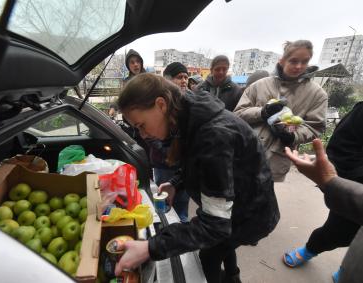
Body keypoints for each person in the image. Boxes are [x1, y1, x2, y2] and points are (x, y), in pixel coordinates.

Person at [114, 73, 280, 283]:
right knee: (225, 244)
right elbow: (200, 163)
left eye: (141, 125)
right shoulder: (189, 118)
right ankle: (233, 276)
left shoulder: (213, 136)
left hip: (249, 214)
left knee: (209, 256)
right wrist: (176, 183)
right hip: (235, 205)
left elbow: (215, 226)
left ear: (161, 105)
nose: (143, 135)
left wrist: (150, 247)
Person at [282, 101, 363, 282]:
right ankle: (310, 250)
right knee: (336, 233)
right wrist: (332, 182)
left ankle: (352, 269)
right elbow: (342, 149)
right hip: (356, 194)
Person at [234, 40, 328, 182]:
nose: (299, 66)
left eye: (304, 61)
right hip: (245, 152)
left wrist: (293, 136)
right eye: (293, 61)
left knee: (263, 200)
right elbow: (237, 114)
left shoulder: (317, 94)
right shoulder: (259, 85)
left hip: (275, 159)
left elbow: (316, 126)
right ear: (282, 60)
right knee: (234, 197)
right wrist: (262, 112)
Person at [144, 62, 191, 223]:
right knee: (164, 204)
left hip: (182, 166)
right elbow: (148, 133)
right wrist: (167, 152)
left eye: (186, 77)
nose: (184, 81)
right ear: (167, 80)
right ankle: (166, 229)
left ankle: (182, 228)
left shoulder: (190, 104)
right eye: (180, 77)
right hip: (162, 164)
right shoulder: (155, 102)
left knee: (182, 206)